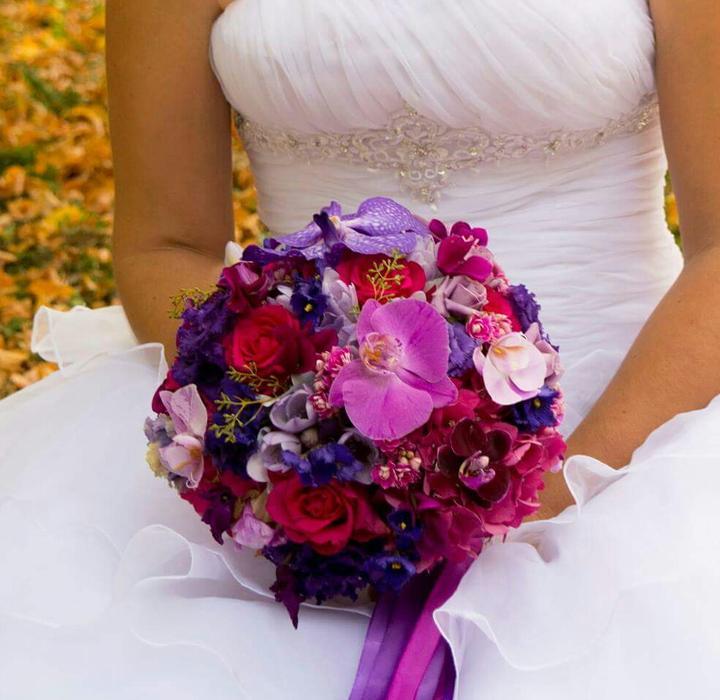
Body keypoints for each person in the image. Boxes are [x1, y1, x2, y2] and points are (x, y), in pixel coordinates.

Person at [1, 0, 719, 697]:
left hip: (638, 432)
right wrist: (275, 424)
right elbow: (168, 245)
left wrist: (551, 496)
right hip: (304, 446)